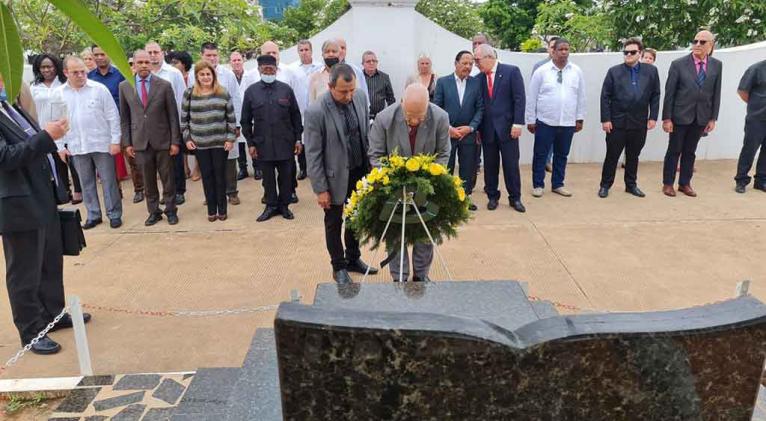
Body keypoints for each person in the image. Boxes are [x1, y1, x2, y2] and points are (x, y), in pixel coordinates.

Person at [1, 77, 92, 355]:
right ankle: (31, 331)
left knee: (50, 260)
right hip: (18, 205)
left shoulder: (9, 106)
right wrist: (46, 137)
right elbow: (5, 158)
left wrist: (51, 139)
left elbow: (31, 140)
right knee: (25, 271)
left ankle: (52, 314)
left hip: (42, 196)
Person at [368, 84, 450, 282]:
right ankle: (399, 279)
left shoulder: (440, 117)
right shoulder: (384, 119)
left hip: (427, 186)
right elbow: (376, 155)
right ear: (402, 103)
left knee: (424, 233)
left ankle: (421, 277)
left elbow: (443, 153)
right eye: (409, 116)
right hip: (394, 188)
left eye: (420, 117)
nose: (414, 121)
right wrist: (394, 181)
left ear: (428, 105)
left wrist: (428, 180)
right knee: (396, 235)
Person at [304, 64, 378, 283]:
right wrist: (320, 189)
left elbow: (366, 135)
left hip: (359, 172)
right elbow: (313, 153)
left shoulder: (361, 98)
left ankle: (353, 258)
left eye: (352, 90)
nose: (349, 95)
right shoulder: (316, 111)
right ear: (330, 87)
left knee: (356, 219)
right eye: (343, 91)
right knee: (334, 222)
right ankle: (338, 267)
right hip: (333, 178)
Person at [57, 56, 123, 229]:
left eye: (82, 71)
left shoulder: (99, 89)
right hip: (76, 146)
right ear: (66, 73)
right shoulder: (59, 94)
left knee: (109, 181)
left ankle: (114, 214)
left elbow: (112, 116)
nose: (80, 75)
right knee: (86, 183)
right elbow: (56, 121)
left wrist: (115, 141)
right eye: (75, 72)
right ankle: (93, 215)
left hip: (101, 144)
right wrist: (60, 147)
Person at [119, 50, 182, 226]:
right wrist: (127, 142)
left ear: (151, 64)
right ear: (134, 64)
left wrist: (175, 141)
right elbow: (125, 118)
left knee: (167, 178)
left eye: (147, 62)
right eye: (140, 62)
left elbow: (172, 116)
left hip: (162, 140)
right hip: (140, 142)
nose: (144, 65)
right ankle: (154, 211)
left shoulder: (164, 85)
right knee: (148, 181)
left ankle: (171, 210)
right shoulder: (124, 86)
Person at [242, 41, 308, 196]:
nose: (268, 72)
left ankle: (285, 205)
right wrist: (250, 143)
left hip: (285, 142)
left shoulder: (286, 90)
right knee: (268, 179)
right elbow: (245, 120)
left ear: (276, 70)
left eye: (271, 70)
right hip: (262, 144)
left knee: (286, 176)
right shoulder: (251, 92)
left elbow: (296, 116)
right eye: (265, 70)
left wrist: (298, 139)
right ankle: (271, 205)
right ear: (259, 70)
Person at [661, 30, 722, 197]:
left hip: (701, 117)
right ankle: (668, 184)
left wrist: (713, 117)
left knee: (690, 152)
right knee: (674, 150)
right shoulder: (678, 64)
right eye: (695, 41)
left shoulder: (717, 65)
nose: (697, 45)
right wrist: (667, 118)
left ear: (711, 45)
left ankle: (685, 183)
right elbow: (669, 94)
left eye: (702, 42)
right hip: (680, 116)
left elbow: (716, 93)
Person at [598, 37, 661, 199]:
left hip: (639, 122)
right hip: (617, 122)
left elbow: (655, 95)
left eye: (632, 52)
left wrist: (653, 117)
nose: (628, 55)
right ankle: (605, 185)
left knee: (633, 155)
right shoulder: (614, 71)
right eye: (626, 52)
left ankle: (631, 185)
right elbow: (605, 96)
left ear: (640, 53)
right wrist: (606, 119)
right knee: (612, 155)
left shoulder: (651, 71)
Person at [526, 38, 586, 198]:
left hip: (567, 121)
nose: (564, 52)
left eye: (567, 49)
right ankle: (538, 184)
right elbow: (532, 96)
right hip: (545, 121)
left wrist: (579, 118)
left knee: (562, 154)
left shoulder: (576, 71)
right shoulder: (542, 71)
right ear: (553, 51)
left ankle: (558, 184)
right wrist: (530, 119)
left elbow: (580, 96)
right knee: (540, 154)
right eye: (561, 49)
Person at [181, 61, 237, 221]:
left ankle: (222, 210)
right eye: (202, 74)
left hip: (220, 143)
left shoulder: (223, 93)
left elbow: (231, 119)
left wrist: (230, 138)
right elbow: (184, 119)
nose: (206, 77)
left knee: (220, 176)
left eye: (208, 74)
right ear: (197, 76)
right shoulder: (189, 94)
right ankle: (211, 210)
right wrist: (187, 139)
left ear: (213, 75)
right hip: (200, 144)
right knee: (207, 176)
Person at [474, 44, 527, 212]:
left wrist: (518, 123)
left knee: (511, 165)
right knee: (490, 166)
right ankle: (492, 196)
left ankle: (515, 198)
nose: (476, 64)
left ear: (489, 57)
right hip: (487, 130)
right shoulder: (478, 79)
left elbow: (520, 99)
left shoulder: (511, 72)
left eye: (477, 60)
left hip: (508, 129)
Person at [191, 43, 244, 202]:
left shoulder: (227, 74)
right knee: (208, 164)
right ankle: (211, 194)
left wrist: (237, 125)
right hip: (204, 128)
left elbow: (236, 98)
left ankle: (232, 191)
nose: (212, 58)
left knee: (229, 159)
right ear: (202, 56)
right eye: (209, 55)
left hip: (225, 125)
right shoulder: (196, 76)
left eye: (215, 55)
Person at [433, 50, 483, 211]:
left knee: (468, 168)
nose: (468, 66)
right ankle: (445, 199)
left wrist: (471, 127)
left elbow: (480, 109)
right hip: (447, 133)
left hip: (468, 134)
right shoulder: (442, 82)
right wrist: (447, 128)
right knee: (446, 166)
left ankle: (464, 198)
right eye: (464, 63)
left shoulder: (476, 83)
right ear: (456, 63)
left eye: (470, 64)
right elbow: (436, 107)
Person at [30, 53, 82, 205]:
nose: (47, 70)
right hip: (44, 129)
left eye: (50, 66)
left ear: (56, 67)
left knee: (71, 159)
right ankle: (64, 191)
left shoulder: (64, 83)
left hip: (66, 127)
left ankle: (78, 190)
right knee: (56, 162)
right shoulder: (34, 87)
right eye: (43, 67)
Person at [146, 42, 188, 206]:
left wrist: (180, 125)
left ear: (162, 53)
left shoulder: (173, 73)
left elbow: (182, 98)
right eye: (149, 52)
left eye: (156, 52)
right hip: (152, 127)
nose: (152, 55)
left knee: (175, 160)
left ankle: (179, 191)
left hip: (172, 124)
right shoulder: (143, 75)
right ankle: (167, 191)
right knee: (159, 163)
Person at [87, 45, 130, 186]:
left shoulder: (120, 74)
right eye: (96, 55)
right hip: (99, 125)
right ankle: (115, 188)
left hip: (121, 121)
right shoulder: (89, 77)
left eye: (102, 54)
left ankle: (139, 188)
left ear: (109, 54)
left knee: (130, 156)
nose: (99, 57)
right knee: (107, 159)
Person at [734, 58, 766, 193]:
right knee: (749, 149)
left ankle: (761, 181)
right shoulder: (756, 69)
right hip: (756, 118)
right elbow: (742, 91)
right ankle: (741, 180)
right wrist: (755, 105)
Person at [533, 36, 560, 174]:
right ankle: (539, 172)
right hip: (542, 113)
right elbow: (534, 92)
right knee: (542, 143)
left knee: (557, 142)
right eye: (551, 47)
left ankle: (549, 161)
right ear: (548, 49)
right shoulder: (539, 67)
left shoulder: (567, 67)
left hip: (560, 113)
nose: (554, 50)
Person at [230, 51, 252, 182]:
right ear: (230, 63)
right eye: (234, 60)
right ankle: (243, 168)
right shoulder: (228, 76)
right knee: (239, 143)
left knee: (251, 139)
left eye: (239, 60)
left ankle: (257, 167)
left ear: (243, 61)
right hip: (235, 112)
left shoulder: (250, 76)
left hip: (249, 112)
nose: (237, 62)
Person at [335, 37, 370, 105]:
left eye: (343, 48)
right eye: (337, 47)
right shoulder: (320, 72)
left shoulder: (356, 71)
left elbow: (365, 98)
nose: (340, 50)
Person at [362, 50, 396, 121]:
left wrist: (390, 116)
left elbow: (391, 99)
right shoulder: (358, 77)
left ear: (377, 62)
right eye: (368, 61)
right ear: (363, 64)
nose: (371, 63)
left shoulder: (384, 77)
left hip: (379, 117)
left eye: (374, 61)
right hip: (362, 117)